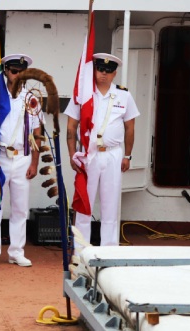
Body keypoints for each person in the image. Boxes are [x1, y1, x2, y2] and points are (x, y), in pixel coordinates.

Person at [65, 53, 139, 247]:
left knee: (110, 205)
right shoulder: (83, 94)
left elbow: (130, 127)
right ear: (94, 70)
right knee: (84, 204)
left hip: (113, 154)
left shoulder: (124, 94)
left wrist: (128, 155)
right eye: (100, 69)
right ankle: (81, 252)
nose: (103, 74)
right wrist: (72, 154)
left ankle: (108, 251)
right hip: (89, 154)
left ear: (114, 74)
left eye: (108, 71)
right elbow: (71, 127)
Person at [0, 53, 42, 268]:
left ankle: (16, 251)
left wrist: (34, 163)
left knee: (20, 208)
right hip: (0, 157)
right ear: (6, 72)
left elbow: (37, 132)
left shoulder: (32, 98)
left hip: (22, 157)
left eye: (22, 71)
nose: (18, 74)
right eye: (14, 70)